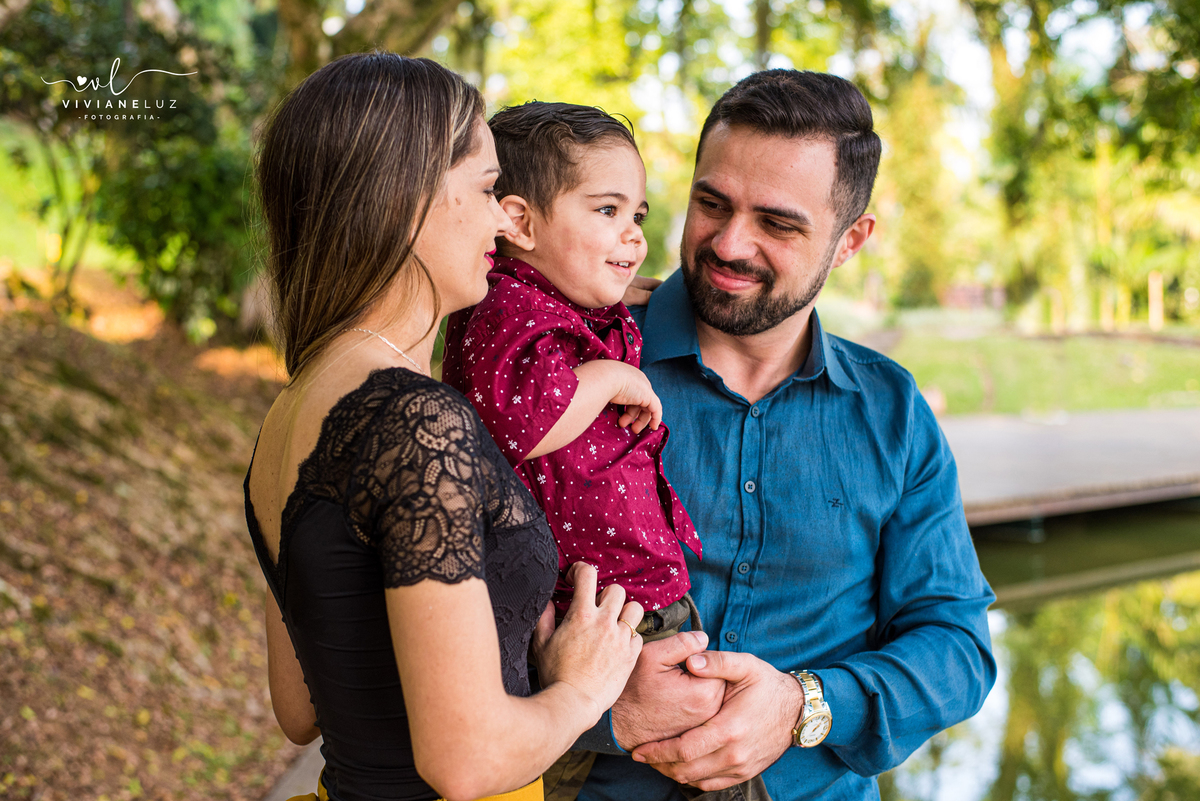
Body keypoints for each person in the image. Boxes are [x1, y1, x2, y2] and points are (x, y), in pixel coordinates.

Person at [572, 69, 998, 801]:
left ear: (850, 239)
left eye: (778, 222)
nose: (730, 243)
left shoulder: (892, 412)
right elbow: (457, 616)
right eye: (712, 203)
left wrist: (805, 704)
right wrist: (595, 702)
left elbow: (956, 646)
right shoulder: (571, 371)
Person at [244, 53, 645, 801]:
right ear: (405, 199)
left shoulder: (292, 410)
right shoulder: (418, 420)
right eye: (490, 188)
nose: (504, 216)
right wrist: (582, 686)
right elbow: (466, 761)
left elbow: (301, 708)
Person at [442, 102, 704, 640]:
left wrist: (605, 289)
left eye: (637, 215)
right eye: (607, 211)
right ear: (519, 222)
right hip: (585, 611)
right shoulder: (506, 309)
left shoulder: (548, 301)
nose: (633, 234)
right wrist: (611, 377)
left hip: (632, 591)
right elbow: (519, 423)